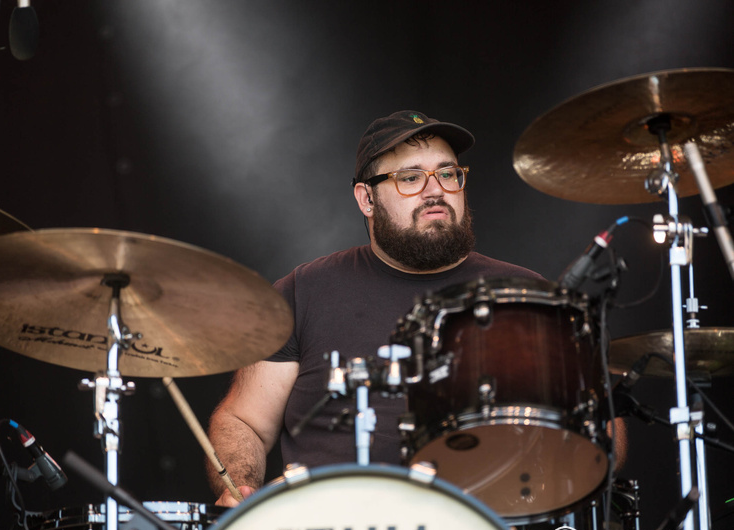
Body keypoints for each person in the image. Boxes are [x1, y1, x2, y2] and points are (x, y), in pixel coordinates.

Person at [206, 110, 625, 506]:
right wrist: (241, 485)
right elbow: (244, 421)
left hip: (481, 527)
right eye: (410, 177)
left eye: (448, 173)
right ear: (366, 199)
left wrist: (546, 489)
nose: (435, 188)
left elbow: (600, 427)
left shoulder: (526, 295)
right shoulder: (303, 292)